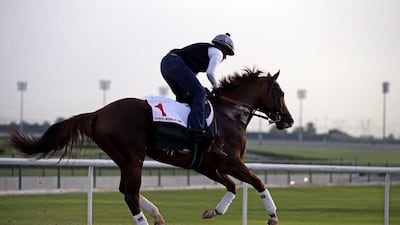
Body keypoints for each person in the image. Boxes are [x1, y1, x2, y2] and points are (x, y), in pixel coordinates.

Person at [160, 33, 234, 137]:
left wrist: (202, 89)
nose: (225, 57)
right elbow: (210, 73)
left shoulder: (203, 53)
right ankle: (196, 129)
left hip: (166, 64)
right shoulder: (218, 52)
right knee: (199, 93)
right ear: (224, 48)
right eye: (227, 53)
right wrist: (216, 87)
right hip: (174, 63)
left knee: (184, 96)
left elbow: (191, 78)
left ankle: (179, 125)